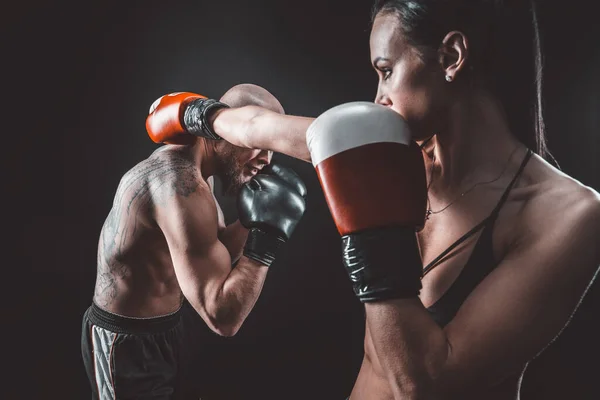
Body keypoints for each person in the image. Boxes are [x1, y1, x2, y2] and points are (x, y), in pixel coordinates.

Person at [147, 1, 600, 399]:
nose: (377, 98)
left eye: (386, 71)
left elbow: (420, 384)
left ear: (451, 56)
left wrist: (374, 238)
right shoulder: (393, 154)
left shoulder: (566, 216)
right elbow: (254, 126)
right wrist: (196, 113)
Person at [82, 83, 307, 399]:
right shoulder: (178, 186)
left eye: (271, 149)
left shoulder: (198, 168)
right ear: (228, 131)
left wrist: (251, 223)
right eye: (259, 144)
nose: (267, 161)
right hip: (126, 343)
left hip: (166, 329)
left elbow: (211, 250)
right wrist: (266, 239)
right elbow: (223, 318)